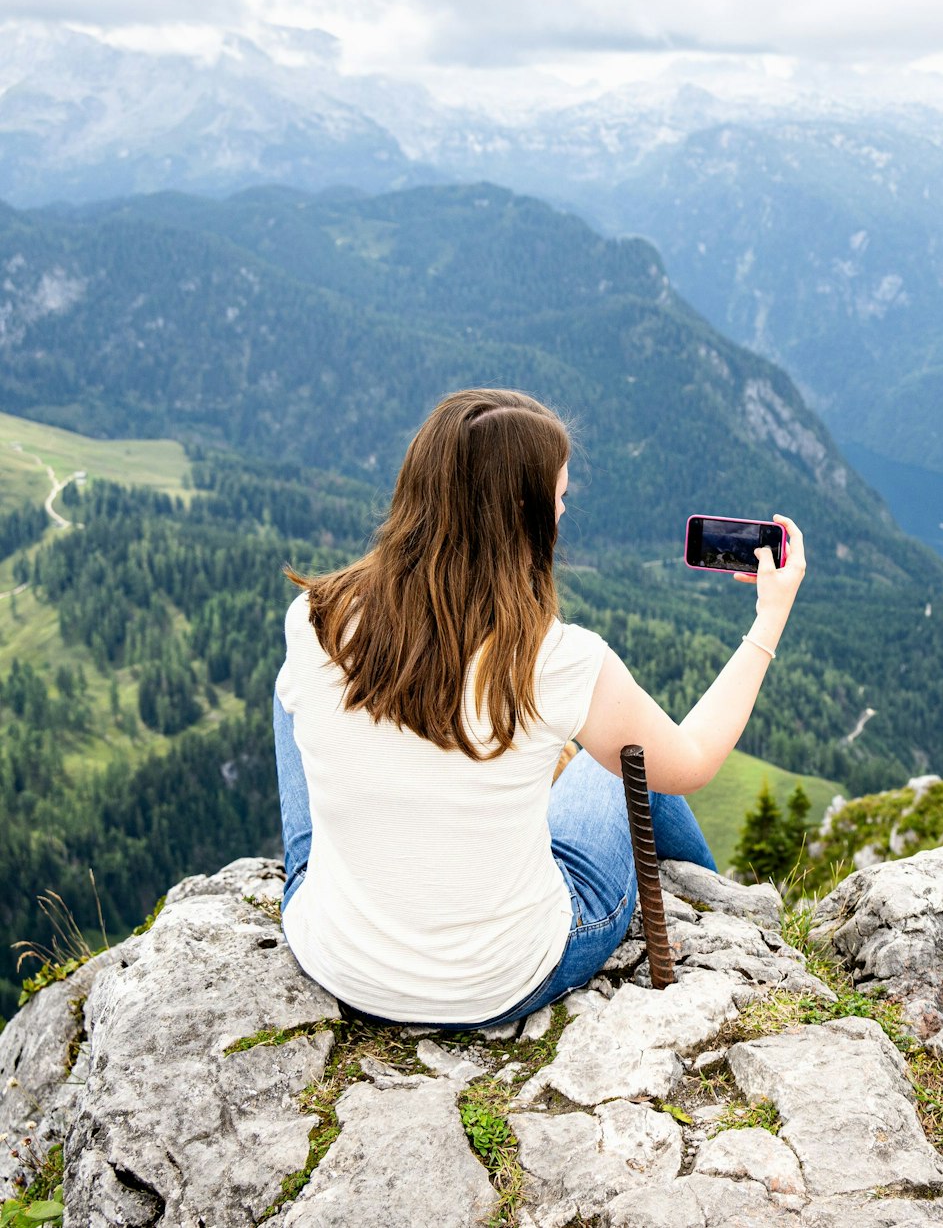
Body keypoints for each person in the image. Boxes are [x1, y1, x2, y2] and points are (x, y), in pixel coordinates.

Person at [273, 388, 807, 1029]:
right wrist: (769, 618)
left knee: (292, 697)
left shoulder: (316, 618)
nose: (564, 506)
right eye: (558, 494)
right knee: (622, 764)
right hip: (502, 977)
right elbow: (689, 763)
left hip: (339, 960)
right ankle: (716, 907)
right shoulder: (558, 659)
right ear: (521, 514)